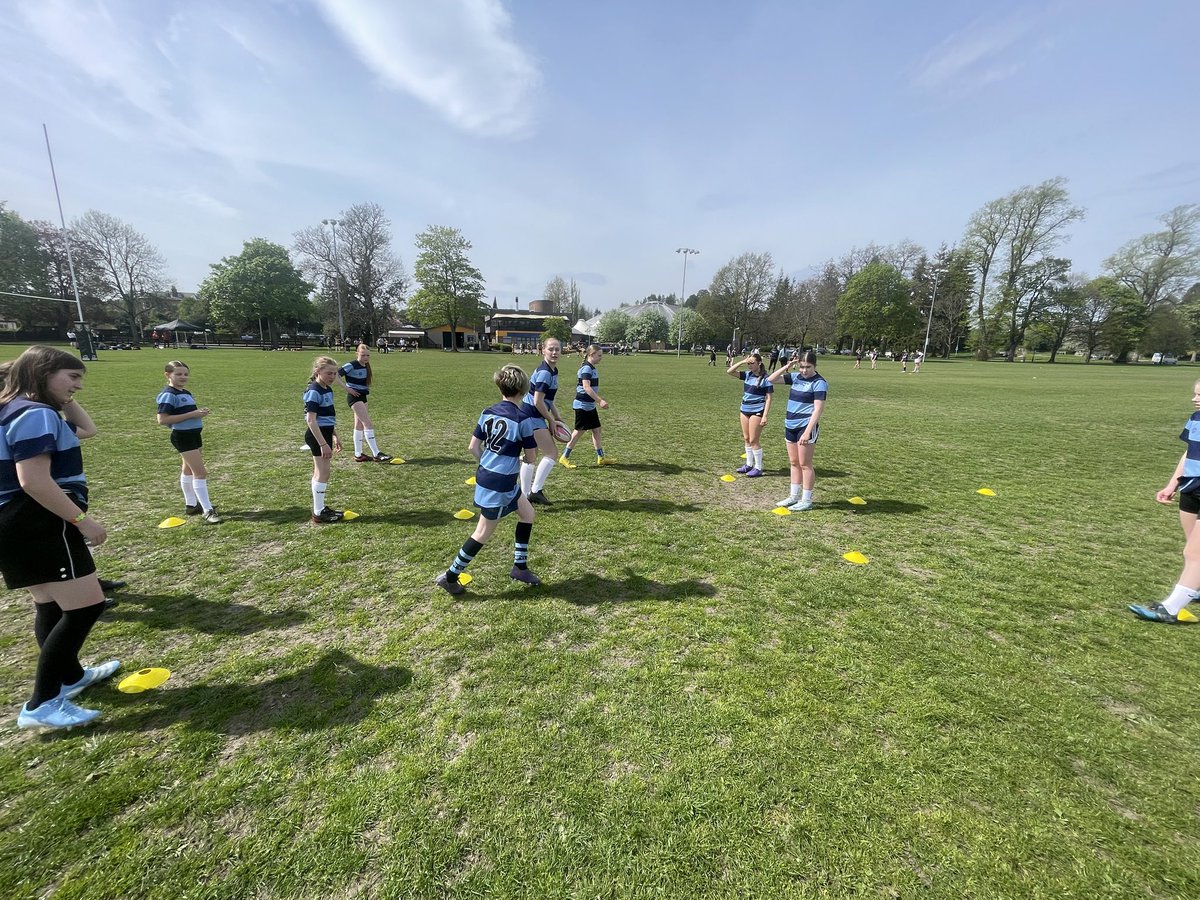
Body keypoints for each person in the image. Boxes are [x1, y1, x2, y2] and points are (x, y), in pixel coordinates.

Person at [0, 348, 119, 730]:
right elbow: (33, 481)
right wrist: (80, 520)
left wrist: (66, 396)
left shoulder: (18, 409)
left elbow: (86, 430)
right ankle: (42, 703)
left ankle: (70, 677)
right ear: (42, 373)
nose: (77, 385)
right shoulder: (35, 414)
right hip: (39, 521)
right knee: (86, 607)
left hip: (16, 523)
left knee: (49, 604)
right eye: (71, 377)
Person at [436, 364, 541, 595]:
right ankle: (450, 576)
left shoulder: (487, 412)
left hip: (489, 477)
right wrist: (521, 457)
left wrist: (489, 463)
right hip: (500, 483)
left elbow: (473, 447)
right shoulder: (522, 418)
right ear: (523, 389)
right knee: (482, 531)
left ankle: (520, 567)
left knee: (528, 514)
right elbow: (532, 457)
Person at [1130, 379, 1200, 624]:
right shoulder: (1196, 418)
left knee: (1195, 552)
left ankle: (1171, 609)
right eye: (1195, 393)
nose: (1194, 398)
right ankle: (1193, 586)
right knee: (1192, 547)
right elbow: (1188, 452)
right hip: (1191, 487)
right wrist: (1173, 484)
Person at [155, 360, 220, 523]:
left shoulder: (185, 392)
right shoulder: (168, 394)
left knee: (188, 470)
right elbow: (162, 419)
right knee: (200, 473)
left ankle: (191, 505)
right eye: (178, 374)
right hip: (183, 437)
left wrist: (198, 413)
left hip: (193, 435)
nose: (183, 377)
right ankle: (207, 510)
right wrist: (193, 414)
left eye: (185, 374)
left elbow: (186, 413)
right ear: (167, 375)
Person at [767, 349, 828, 511]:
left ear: (814, 366)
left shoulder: (819, 382)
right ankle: (793, 496)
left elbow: (818, 410)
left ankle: (806, 500)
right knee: (794, 463)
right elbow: (771, 379)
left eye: (808, 367)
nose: (804, 370)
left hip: (805, 427)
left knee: (805, 464)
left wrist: (808, 431)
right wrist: (788, 365)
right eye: (801, 367)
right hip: (790, 425)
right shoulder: (795, 377)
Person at [519, 337, 568, 505]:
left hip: (531, 415)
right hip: (531, 416)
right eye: (551, 349)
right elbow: (537, 401)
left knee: (531, 456)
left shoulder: (552, 370)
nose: (554, 352)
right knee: (552, 453)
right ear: (543, 350)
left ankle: (525, 495)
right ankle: (533, 492)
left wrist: (557, 417)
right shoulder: (545, 373)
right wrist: (551, 421)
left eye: (557, 349)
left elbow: (548, 400)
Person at [304, 356, 345, 523]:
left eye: (335, 373)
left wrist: (335, 435)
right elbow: (311, 420)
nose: (332, 377)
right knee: (323, 473)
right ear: (318, 371)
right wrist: (323, 444)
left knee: (320, 472)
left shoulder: (327, 389)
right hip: (317, 436)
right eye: (329, 373)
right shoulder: (314, 390)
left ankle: (319, 509)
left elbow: (327, 417)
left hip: (326, 433)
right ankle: (319, 512)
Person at [559, 344, 613, 468]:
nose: (601, 358)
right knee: (578, 432)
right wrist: (600, 401)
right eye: (599, 355)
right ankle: (564, 457)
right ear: (591, 355)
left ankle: (601, 457)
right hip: (582, 406)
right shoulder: (587, 369)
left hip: (589, 406)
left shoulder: (591, 368)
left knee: (597, 430)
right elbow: (586, 387)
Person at [338, 343, 394, 463]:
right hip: (354, 397)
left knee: (358, 425)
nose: (366, 358)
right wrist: (347, 388)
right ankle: (376, 453)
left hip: (363, 396)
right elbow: (336, 375)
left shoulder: (366, 366)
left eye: (368, 355)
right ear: (357, 353)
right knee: (367, 423)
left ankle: (358, 454)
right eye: (363, 355)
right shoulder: (351, 365)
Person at [727, 351, 773, 477]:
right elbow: (729, 371)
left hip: (757, 411)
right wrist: (742, 361)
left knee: (754, 440)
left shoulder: (766, 379)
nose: (750, 365)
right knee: (746, 438)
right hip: (744, 409)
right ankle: (748, 464)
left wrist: (765, 415)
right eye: (749, 363)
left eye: (752, 363)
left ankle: (758, 467)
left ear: (759, 363)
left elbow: (769, 398)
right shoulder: (747, 375)